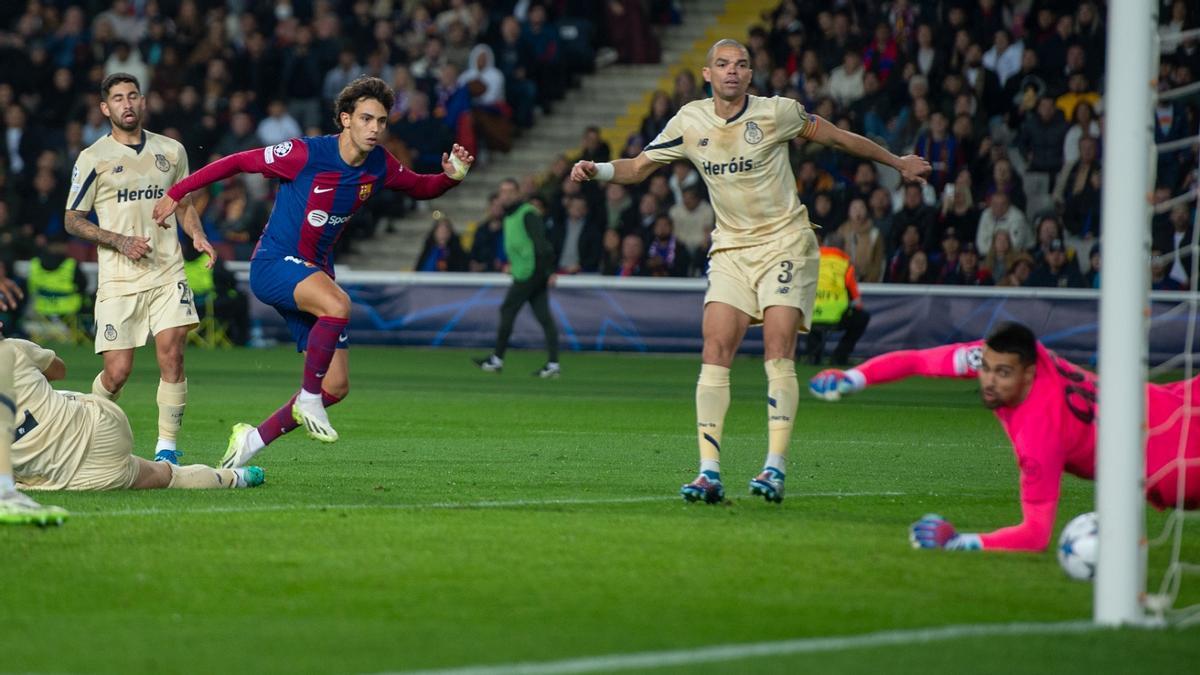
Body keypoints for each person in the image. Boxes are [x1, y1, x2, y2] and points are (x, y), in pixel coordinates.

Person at [570, 39, 930, 504]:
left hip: (786, 242)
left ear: (750, 74)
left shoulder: (777, 113)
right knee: (715, 348)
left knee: (778, 348)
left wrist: (896, 161)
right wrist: (596, 170)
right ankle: (708, 472)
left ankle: (774, 467)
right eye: (723, 65)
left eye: (740, 65)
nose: (732, 72)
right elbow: (638, 167)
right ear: (707, 74)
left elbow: (838, 137)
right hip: (731, 249)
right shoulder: (689, 120)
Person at [152, 76, 473, 468]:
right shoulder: (305, 154)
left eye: (382, 121)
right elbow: (237, 161)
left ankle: (251, 440)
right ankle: (308, 398)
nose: (375, 129)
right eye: (367, 119)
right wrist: (176, 192)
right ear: (345, 119)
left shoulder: (379, 164)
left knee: (335, 385)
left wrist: (451, 176)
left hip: (314, 274)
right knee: (338, 306)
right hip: (274, 264)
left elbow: (421, 187)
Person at [809, 322, 1200, 552]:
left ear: (1029, 372)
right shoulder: (1022, 356)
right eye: (986, 368)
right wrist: (853, 378)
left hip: (1170, 461)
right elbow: (917, 360)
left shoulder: (1038, 435)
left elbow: (1036, 535)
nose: (989, 382)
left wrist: (960, 541)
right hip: (1170, 399)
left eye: (1003, 374)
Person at [63, 73, 214, 466]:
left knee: (173, 352)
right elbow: (72, 219)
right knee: (117, 373)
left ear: (143, 102)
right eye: (117, 98)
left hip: (167, 271)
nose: (126, 104)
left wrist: (197, 235)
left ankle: (166, 448)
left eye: (132, 96)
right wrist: (119, 240)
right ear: (105, 108)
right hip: (119, 278)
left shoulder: (172, 151)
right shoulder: (92, 158)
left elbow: (183, 204)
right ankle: (86, 427)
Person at [0, 329, 263, 498]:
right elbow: (59, 371)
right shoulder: (12, 348)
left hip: (71, 477)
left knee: (164, 477)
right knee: (166, 474)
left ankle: (235, 479)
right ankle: (236, 478)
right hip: (103, 431)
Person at [474, 179, 560, 378]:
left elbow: (543, 245)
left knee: (507, 309)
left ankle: (496, 359)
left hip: (530, 272)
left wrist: (548, 271)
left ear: (518, 193)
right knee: (543, 316)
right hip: (526, 271)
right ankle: (553, 364)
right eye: (502, 191)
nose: (505, 195)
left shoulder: (528, 213)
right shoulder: (512, 215)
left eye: (510, 191)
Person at [806, 235, 870, 365]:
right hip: (836, 318)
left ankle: (813, 356)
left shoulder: (810, 261)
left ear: (824, 244)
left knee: (810, 312)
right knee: (862, 317)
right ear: (843, 248)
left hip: (808, 317)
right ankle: (839, 356)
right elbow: (857, 302)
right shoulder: (846, 265)